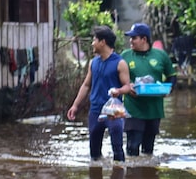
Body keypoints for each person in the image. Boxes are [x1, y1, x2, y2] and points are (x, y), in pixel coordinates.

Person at [66, 25, 131, 163]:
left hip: (114, 111)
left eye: (94, 40)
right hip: (95, 110)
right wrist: (75, 105)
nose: (92, 43)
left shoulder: (120, 63)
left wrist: (118, 91)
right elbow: (86, 85)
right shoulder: (93, 63)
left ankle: (119, 178)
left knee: (117, 149)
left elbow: (127, 86)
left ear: (103, 42)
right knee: (94, 153)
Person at [121, 22, 177, 156]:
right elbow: (117, 77)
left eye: (134, 38)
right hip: (133, 108)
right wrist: (128, 87)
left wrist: (168, 90)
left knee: (148, 150)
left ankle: (148, 175)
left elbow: (172, 76)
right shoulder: (125, 56)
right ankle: (131, 175)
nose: (131, 41)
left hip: (154, 109)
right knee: (132, 147)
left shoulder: (160, 56)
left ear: (144, 39)